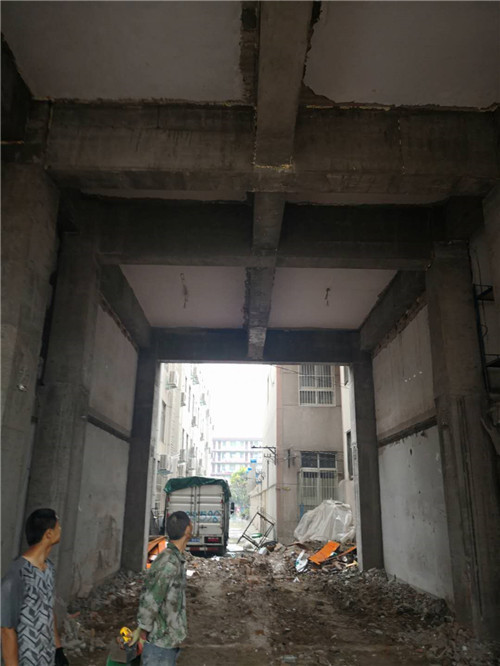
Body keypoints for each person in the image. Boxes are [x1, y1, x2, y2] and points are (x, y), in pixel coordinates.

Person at [1, 508, 69, 666]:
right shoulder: (17, 575)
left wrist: (58, 650)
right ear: (49, 534)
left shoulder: (49, 569)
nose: (60, 529)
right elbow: (6, 630)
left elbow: (48, 610)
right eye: (58, 526)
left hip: (47, 658)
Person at [135, 511, 192, 665]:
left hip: (168, 641)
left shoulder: (175, 559)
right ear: (187, 530)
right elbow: (151, 598)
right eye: (190, 523)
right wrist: (142, 631)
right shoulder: (169, 562)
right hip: (159, 644)